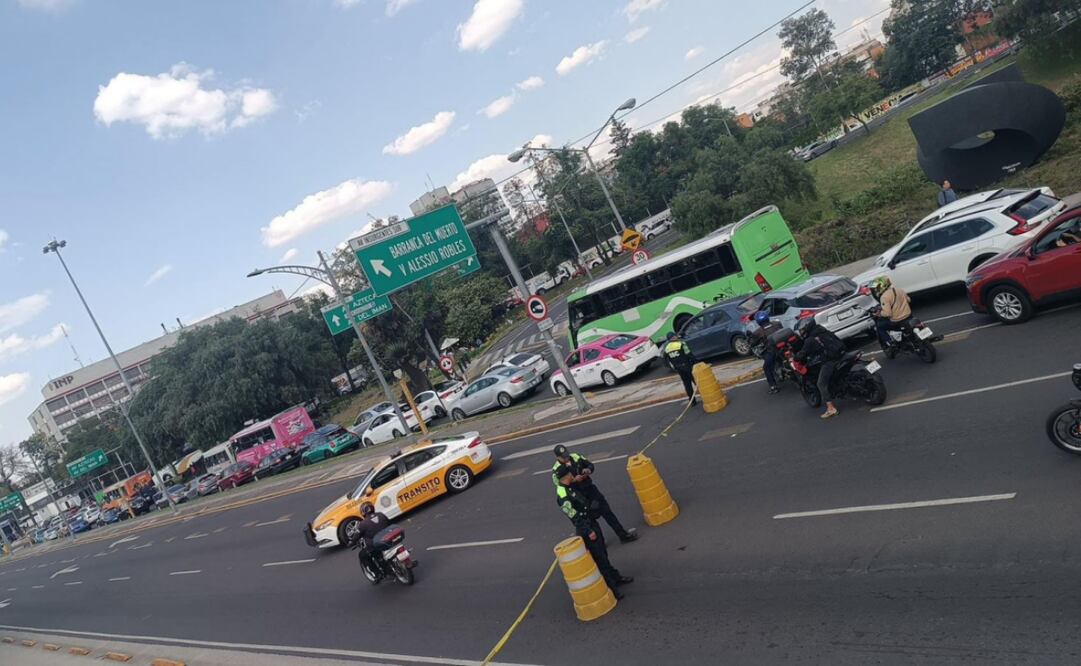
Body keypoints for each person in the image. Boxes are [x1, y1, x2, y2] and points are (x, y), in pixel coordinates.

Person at [555, 464, 633, 597]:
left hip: (591, 521)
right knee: (599, 558)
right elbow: (574, 516)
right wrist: (588, 530)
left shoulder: (569, 486)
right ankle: (612, 590)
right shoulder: (562, 495)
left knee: (603, 553)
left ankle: (615, 578)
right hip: (586, 527)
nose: (573, 475)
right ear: (566, 476)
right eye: (570, 474)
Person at [551, 445, 638, 544]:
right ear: (557, 457)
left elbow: (590, 465)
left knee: (607, 512)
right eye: (563, 457)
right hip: (579, 497)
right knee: (591, 521)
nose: (566, 458)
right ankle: (601, 543)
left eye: (566, 455)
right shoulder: (556, 470)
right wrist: (574, 480)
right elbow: (560, 485)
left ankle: (623, 535)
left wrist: (588, 470)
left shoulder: (575, 456)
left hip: (590, 490)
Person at [794, 318, 846, 419]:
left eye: (802, 330)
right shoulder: (822, 330)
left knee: (821, 384)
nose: (801, 332)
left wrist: (795, 358)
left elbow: (803, 354)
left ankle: (831, 409)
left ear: (806, 328)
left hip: (830, 360)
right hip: (842, 354)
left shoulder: (810, 340)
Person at [351, 502, 393, 578]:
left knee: (362, 555)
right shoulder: (381, 515)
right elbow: (390, 523)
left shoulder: (363, 524)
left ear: (363, 512)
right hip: (389, 539)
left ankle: (377, 574)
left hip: (377, 545)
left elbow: (356, 536)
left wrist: (351, 542)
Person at [870, 276, 912, 349]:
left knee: (880, 326)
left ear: (883, 286)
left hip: (897, 321)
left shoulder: (884, 297)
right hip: (909, 316)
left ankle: (890, 343)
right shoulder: (899, 289)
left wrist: (879, 314)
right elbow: (908, 300)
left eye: (877, 287)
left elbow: (887, 314)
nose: (876, 289)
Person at [749, 311, 782, 395]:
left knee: (766, 368)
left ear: (758, 321)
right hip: (784, 346)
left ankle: (773, 387)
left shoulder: (758, 332)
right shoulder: (777, 323)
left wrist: (750, 339)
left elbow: (753, 343)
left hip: (773, 351)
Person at [663, 331, 698, 403]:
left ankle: (692, 401)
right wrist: (697, 362)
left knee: (687, 384)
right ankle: (705, 396)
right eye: (675, 336)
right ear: (674, 337)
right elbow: (688, 354)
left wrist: (675, 367)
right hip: (687, 366)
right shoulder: (681, 344)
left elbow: (667, 360)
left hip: (679, 369)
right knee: (696, 381)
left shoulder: (667, 348)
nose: (676, 337)